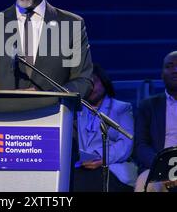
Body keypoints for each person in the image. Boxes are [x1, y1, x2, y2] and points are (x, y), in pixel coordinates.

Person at [73, 64, 137, 192]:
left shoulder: (121, 108)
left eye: (94, 82)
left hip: (112, 166)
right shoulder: (76, 110)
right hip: (82, 167)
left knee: (86, 181)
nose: (91, 88)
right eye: (87, 83)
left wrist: (102, 158)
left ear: (104, 81)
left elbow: (125, 144)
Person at [134, 51, 177, 192]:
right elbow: (141, 145)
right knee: (146, 184)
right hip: (158, 167)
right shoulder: (148, 106)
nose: (175, 70)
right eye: (170, 66)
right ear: (162, 75)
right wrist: (163, 166)